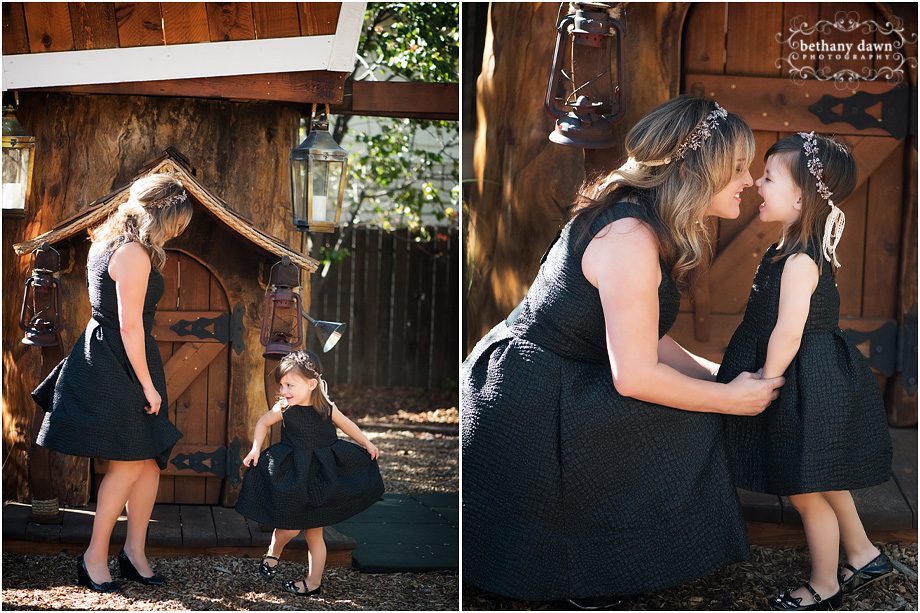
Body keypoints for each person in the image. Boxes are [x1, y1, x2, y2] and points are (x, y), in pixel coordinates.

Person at [462, 95, 786, 608]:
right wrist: (729, 400)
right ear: (696, 169)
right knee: (687, 418)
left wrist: (717, 378)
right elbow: (634, 375)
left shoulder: (643, 218)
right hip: (528, 398)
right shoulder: (630, 236)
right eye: (738, 168)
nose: (748, 181)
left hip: (562, 376)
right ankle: (592, 569)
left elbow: (646, 334)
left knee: (697, 397)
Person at [717, 132, 893, 611]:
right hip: (804, 378)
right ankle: (862, 554)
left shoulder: (799, 261)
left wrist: (765, 381)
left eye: (768, 177)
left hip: (800, 383)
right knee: (821, 474)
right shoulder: (790, 249)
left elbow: (789, 333)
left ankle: (824, 584)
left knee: (804, 491)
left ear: (801, 196)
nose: (756, 182)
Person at [33, 174, 193, 592]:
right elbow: (129, 327)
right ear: (159, 215)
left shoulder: (105, 242)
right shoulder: (134, 253)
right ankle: (93, 557)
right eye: (176, 224)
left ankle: (134, 553)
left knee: (148, 460)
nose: (176, 233)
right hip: (118, 362)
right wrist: (148, 385)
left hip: (116, 354)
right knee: (126, 466)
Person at [235, 350, 384, 597]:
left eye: (290, 385)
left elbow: (346, 424)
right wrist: (255, 449)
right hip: (293, 472)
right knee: (290, 528)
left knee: (315, 533)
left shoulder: (325, 407)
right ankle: (274, 550)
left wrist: (367, 443)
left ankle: (313, 582)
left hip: (320, 475)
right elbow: (262, 422)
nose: (284, 391)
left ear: (312, 384)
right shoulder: (284, 408)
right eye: (282, 385)